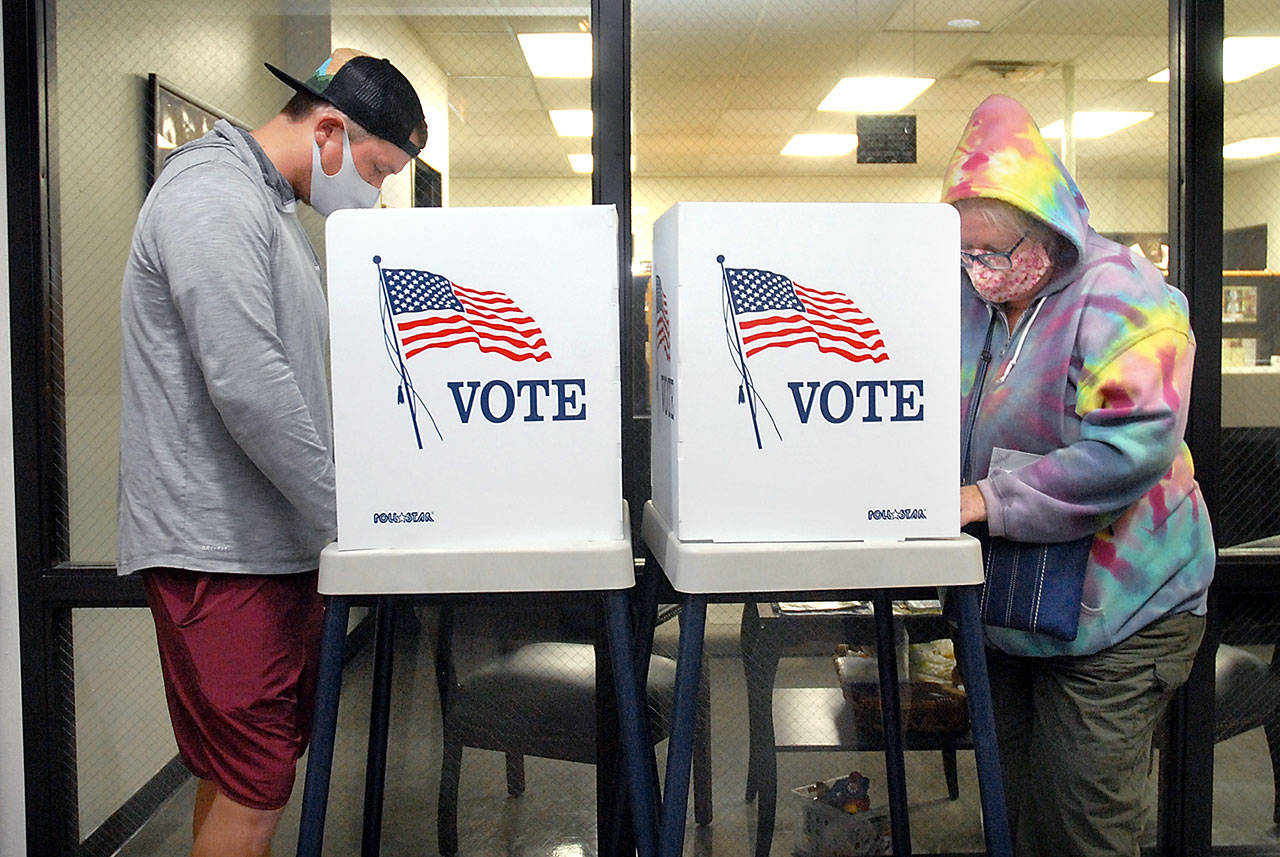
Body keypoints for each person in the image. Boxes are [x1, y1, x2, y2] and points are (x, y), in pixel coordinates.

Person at [118, 49, 426, 857]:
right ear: (329, 131)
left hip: (265, 548)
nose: (378, 191)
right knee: (257, 783)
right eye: (378, 168)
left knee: (238, 776)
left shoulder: (269, 210)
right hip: (219, 551)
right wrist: (345, 517)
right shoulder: (211, 195)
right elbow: (248, 385)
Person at [943, 94, 1215, 857]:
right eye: (968, 252)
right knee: (1015, 817)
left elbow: (1131, 445)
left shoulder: (1126, 295)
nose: (983, 270)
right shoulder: (970, 298)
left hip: (1122, 610)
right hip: (1016, 604)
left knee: (1081, 829)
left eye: (997, 250)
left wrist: (985, 499)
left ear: (1052, 225)